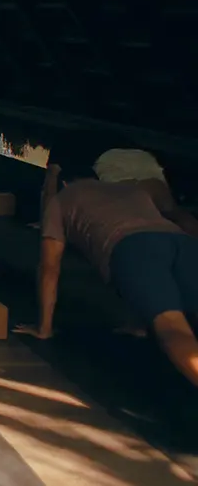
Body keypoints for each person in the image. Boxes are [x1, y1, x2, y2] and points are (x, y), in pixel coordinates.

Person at [16, 163, 198, 388]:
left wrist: (43, 329)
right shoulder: (131, 191)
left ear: (65, 182)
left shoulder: (62, 199)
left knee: (172, 326)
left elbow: (49, 269)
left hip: (132, 246)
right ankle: (139, 325)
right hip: (183, 243)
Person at [42, 136, 198, 236]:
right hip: (143, 157)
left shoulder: (60, 148)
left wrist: (48, 222)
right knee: (170, 210)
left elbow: (50, 186)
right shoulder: (83, 140)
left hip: (112, 161)